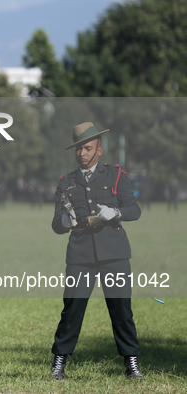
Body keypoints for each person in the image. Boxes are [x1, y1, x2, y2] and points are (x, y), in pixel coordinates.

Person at [50, 122, 142, 380]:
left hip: (114, 253)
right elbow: (56, 223)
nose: (82, 153)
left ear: (99, 150)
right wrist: (65, 222)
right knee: (72, 309)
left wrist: (117, 212)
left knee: (121, 309)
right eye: (79, 149)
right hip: (80, 256)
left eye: (88, 148)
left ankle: (131, 363)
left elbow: (135, 209)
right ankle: (59, 363)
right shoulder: (66, 182)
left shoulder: (115, 175)